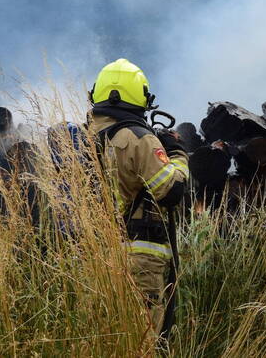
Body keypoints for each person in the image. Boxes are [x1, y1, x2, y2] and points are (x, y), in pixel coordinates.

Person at [88, 58, 189, 341]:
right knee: (144, 339)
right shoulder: (138, 138)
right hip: (140, 258)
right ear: (140, 96)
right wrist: (178, 154)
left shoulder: (87, 137)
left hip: (98, 253)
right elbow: (171, 191)